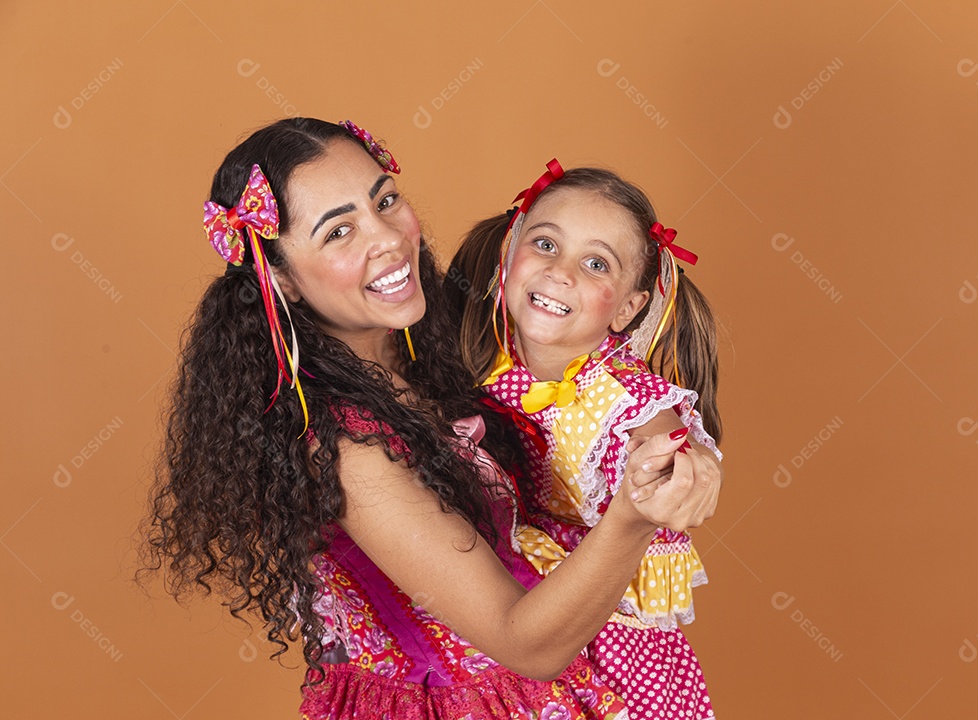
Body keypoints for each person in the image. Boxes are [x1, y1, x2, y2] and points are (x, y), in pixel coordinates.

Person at [143, 117, 720, 720]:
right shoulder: (346, 446)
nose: (389, 240)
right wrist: (633, 516)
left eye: (385, 201)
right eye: (339, 231)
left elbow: (591, 384)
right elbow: (527, 643)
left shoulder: (441, 339)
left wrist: (671, 445)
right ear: (281, 277)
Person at [447, 160, 723, 720]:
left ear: (626, 308)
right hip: (515, 607)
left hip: (606, 636)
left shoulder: (627, 398)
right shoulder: (483, 360)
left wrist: (680, 469)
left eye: (595, 263)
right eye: (545, 244)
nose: (560, 272)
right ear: (509, 257)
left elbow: (664, 442)